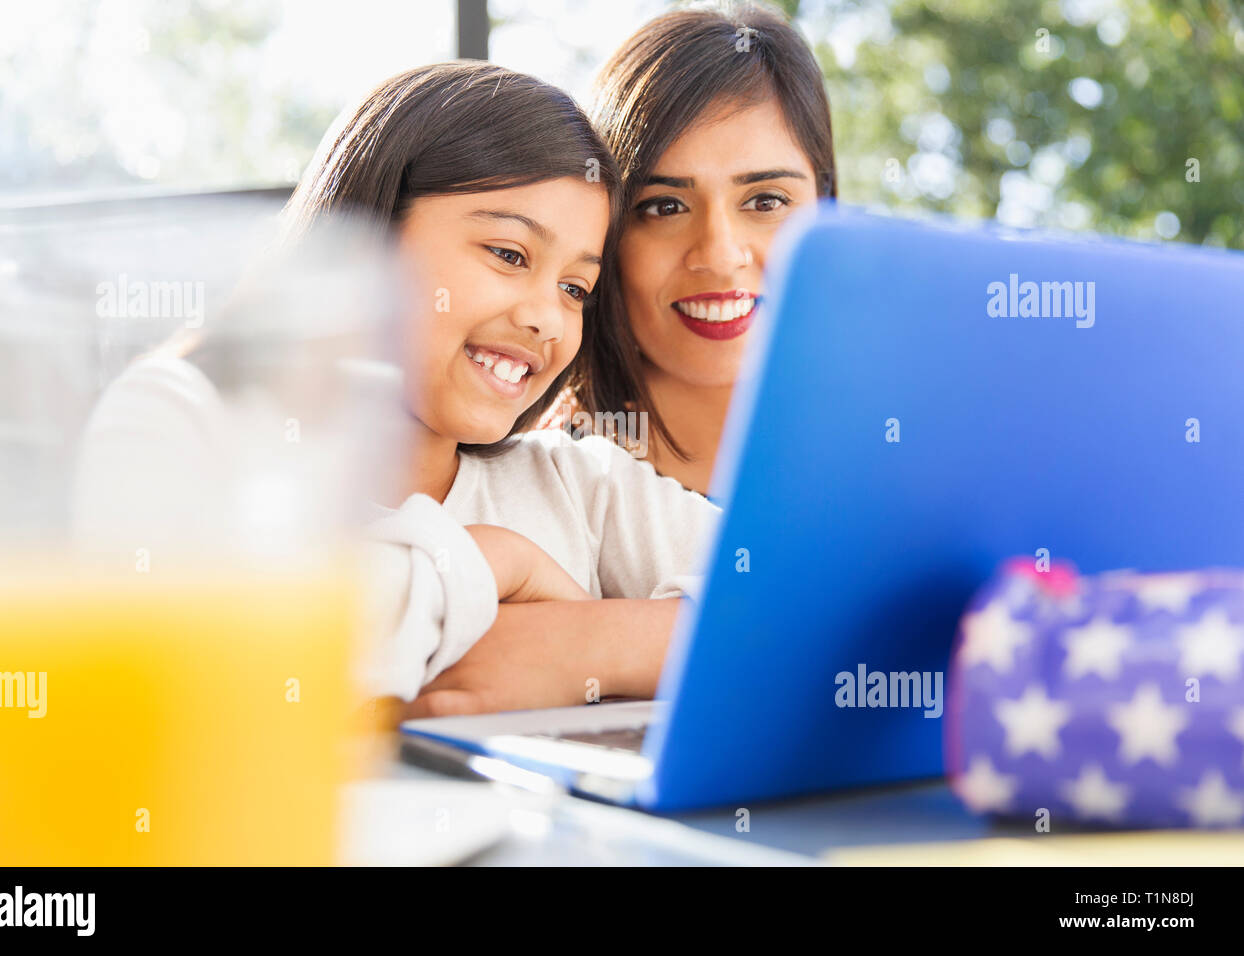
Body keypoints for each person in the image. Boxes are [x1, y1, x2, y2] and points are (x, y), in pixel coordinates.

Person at [76, 63, 720, 718]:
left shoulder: (577, 486)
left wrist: (585, 646)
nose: (547, 319)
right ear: (371, 235)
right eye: (509, 254)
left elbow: (811, 609)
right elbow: (203, 660)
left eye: (575, 289)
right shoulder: (178, 416)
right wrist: (492, 562)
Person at [563, 2, 838, 496]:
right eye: (665, 207)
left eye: (766, 200)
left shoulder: (908, 450)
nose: (718, 254)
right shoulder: (542, 482)